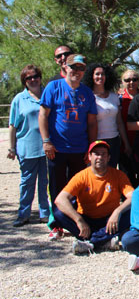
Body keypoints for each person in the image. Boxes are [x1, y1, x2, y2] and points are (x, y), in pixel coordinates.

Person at [39, 53, 98, 240]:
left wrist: (91, 148)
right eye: (73, 67)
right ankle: (56, 224)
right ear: (65, 68)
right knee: (56, 187)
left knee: (78, 188)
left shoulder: (87, 92)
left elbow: (92, 123)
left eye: (81, 68)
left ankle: (76, 222)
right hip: (57, 147)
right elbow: (43, 116)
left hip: (79, 148)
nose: (77, 72)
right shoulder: (53, 87)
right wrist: (46, 141)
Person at [53, 141, 133, 254]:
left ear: (109, 157)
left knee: (133, 211)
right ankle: (103, 240)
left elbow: (133, 197)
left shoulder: (118, 175)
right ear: (90, 156)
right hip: (86, 219)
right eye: (96, 153)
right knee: (58, 213)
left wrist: (117, 212)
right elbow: (60, 200)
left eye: (103, 154)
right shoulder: (81, 176)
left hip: (109, 220)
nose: (100, 157)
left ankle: (89, 242)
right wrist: (79, 220)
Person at [8, 65, 50, 227]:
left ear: (40, 77)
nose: (33, 80)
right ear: (24, 81)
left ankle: (45, 213)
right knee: (27, 182)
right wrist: (11, 148)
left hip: (47, 147)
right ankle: (23, 214)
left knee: (45, 182)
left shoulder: (48, 94)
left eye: (35, 76)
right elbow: (13, 125)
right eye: (28, 78)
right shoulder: (19, 99)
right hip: (27, 147)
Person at [84, 63, 131, 169]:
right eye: (97, 74)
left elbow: (119, 122)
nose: (100, 77)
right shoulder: (88, 97)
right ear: (91, 76)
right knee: (97, 172)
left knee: (111, 172)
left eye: (103, 74)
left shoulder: (114, 97)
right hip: (97, 141)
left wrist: (126, 143)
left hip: (114, 141)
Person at [118, 69, 139, 185]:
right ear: (123, 82)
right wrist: (126, 144)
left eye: (134, 79)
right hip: (125, 143)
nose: (131, 82)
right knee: (127, 177)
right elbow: (119, 123)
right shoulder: (120, 100)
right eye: (127, 80)